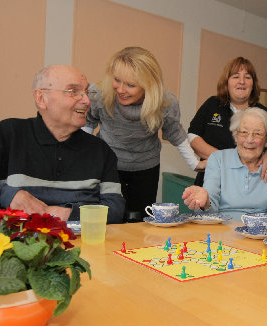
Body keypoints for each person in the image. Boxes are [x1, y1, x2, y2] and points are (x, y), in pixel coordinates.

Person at [0, 65, 125, 223]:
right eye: (73, 91)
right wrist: (8, 195)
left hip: (83, 245)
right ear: (41, 98)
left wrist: (61, 214)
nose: (86, 101)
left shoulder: (100, 150)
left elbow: (115, 209)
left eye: (86, 92)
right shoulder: (7, 134)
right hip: (14, 245)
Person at [85, 47, 202, 221]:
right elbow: (88, 122)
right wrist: (80, 157)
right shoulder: (99, 93)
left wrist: (194, 163)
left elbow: (175, 132)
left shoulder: (165, 103)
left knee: (139, 220)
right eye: (117, 80)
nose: (121, 90)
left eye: (131, 85)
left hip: (145, 167)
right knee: (109, 218)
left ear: (149, 86)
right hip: (108, 164)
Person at [182, 108, 267, 231]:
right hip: (220, 234)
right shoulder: (218, 159)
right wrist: (205, 202)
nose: (249, 140)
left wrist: (252, 237)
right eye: (244, 132)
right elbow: (210, 209)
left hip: (259, 238)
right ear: (235, 135)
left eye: (258, 133)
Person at [188, 57, 267, 186]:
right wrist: (227, 160)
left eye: (247, 77)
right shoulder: (212, 104)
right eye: (236, 76)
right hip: (211, 179)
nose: (242, 81)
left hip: (249, 183)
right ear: (227, 82)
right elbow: (193, 135)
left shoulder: (263, 113)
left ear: (253, 84)